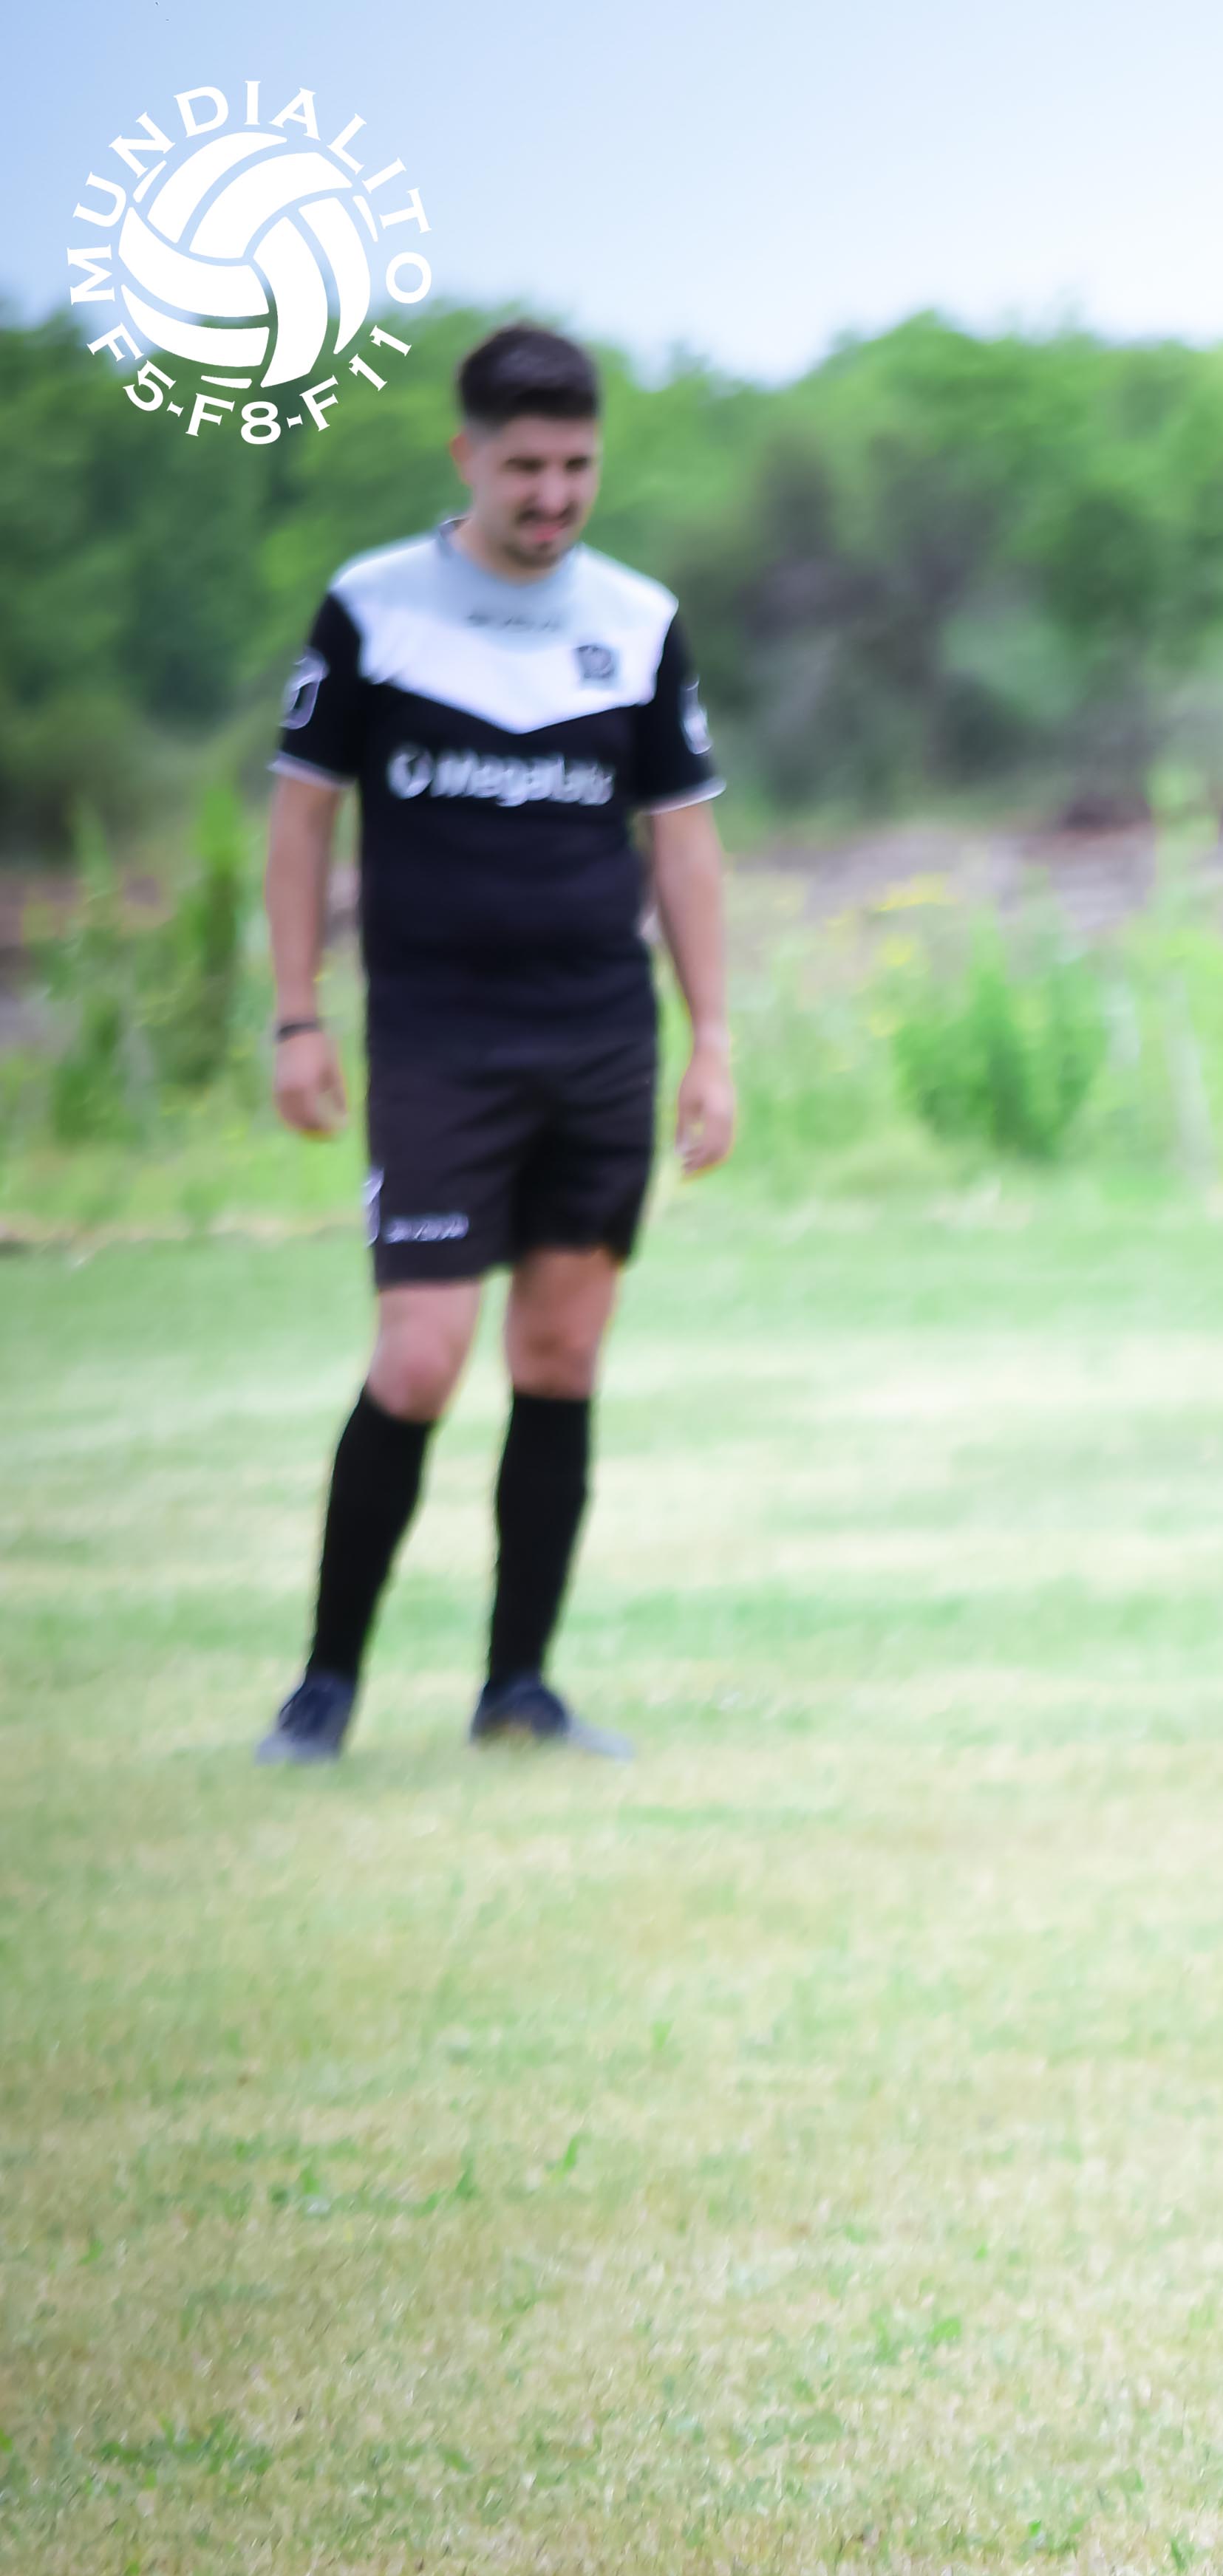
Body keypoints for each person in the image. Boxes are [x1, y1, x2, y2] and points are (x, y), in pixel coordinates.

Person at [255, 324, 734, 1766]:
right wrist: (295, 1014)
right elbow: (300, 820)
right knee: (419, 1357)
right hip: (438, 1042)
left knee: (562, 1351)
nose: (552, 494)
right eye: (525, 466)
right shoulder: (373, 608)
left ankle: (518, 1688)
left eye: (577, 465)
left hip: (598, 1039)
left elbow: (686, 846)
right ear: (467, 456)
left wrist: (712, 1039)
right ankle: (324, 1688)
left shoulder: (638, 622)